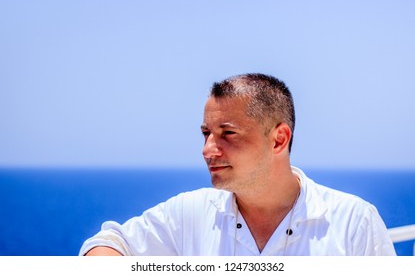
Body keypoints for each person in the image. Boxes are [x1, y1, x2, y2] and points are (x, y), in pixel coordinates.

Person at [80, 73, 396, 256]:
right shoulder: (190, 213)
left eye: (227, 134)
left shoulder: (354, 223)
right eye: (206, 134)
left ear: (278, 139)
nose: (208, 150)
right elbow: (108, 244)